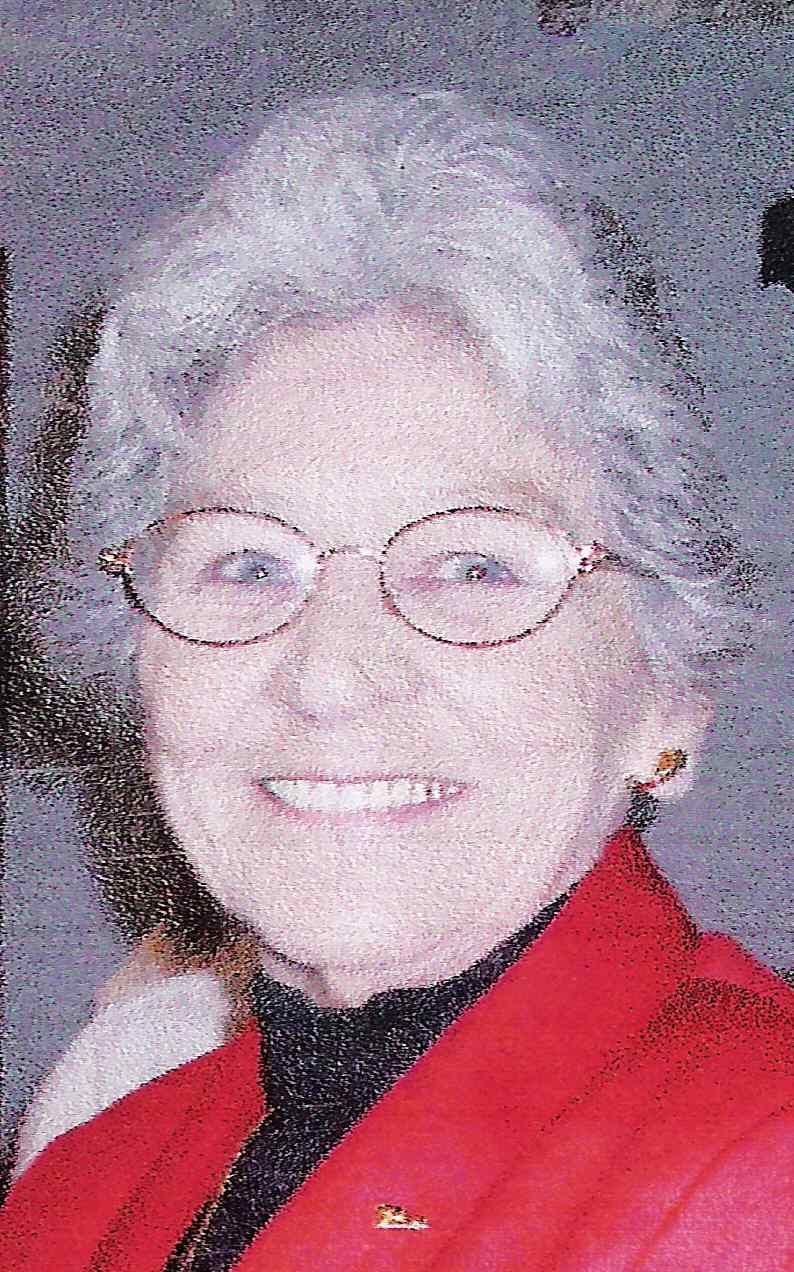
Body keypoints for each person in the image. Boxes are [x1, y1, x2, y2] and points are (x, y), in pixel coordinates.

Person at [1, 87, 792, 1271]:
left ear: (666, 695)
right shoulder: (81, 1187)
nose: (329, 675)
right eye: (246, 563)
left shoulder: (761, 1165)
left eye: (473, 566)